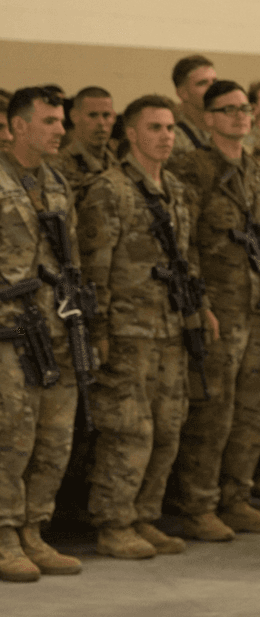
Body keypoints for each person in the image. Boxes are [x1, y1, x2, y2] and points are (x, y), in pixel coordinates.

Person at [78, 94, 216, 559]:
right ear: (131, 133)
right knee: (128, 429)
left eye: (171, 128)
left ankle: (144, 515)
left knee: (168, 426)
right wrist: (98, 331)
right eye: (155, 128)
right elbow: (95, 269)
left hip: (171, 327)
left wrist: (201, 308)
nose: (166, 137)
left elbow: (187, 257)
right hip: (127, 331)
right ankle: (114, 522)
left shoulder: (175, 189)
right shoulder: (109, 190)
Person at [168, 79, 260, 542]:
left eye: (245, 109)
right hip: (219, 307)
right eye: (229, 109)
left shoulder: (256, 171)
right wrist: (199, 302)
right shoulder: (192, 168)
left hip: (256, 305)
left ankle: (236, 498)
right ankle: (198, 504)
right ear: (208, 118)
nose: (241, 117)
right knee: (212, 411)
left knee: (250, 410)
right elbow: (182, 241)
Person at [0, 87, 84, 581]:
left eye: (61, 121)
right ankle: (4, 534)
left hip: (56, 323)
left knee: (54, 435)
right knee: (11, 434)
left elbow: (70, 256)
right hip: (9, 327)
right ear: (18, 126)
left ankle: (34, 529)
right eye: (49, 121)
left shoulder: (56, 182)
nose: (60, 130)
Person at [55, 86, 120, 199]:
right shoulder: (57, 167)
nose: (101, 123)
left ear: (113, 118)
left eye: (106, 115)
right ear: (74, 116)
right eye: (92, 115)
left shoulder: (117, 164)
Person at [169, 55, 217, 155]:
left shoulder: (229, 126)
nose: (213, 88)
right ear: (183, 93)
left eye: (214, 82)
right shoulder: (172, 136)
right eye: (202, 83)